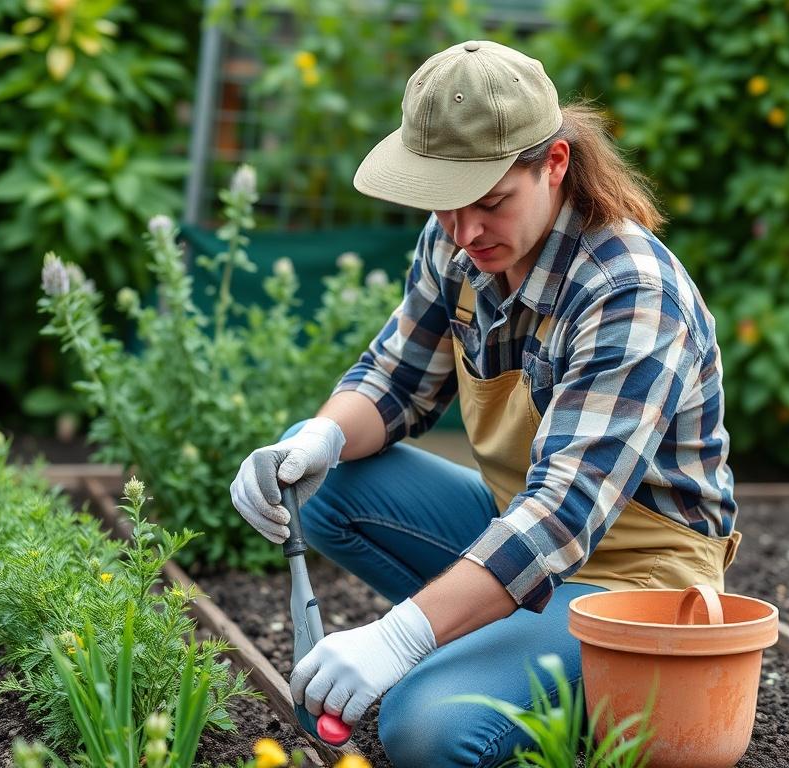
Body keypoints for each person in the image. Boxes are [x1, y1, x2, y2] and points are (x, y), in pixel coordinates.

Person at [230, 40, 740, 767]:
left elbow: (564, 512)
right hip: (523, 531)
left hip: (637, 584)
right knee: (324, 480)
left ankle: (591, 690)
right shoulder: (463, 243)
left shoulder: (629, 293)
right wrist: (314, 440)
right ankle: (505, 644)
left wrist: (398, 638)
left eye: (493, 201)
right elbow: (394, 381)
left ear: (555, 165)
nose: (467, 232)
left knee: (424, 729)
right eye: (446, 207)